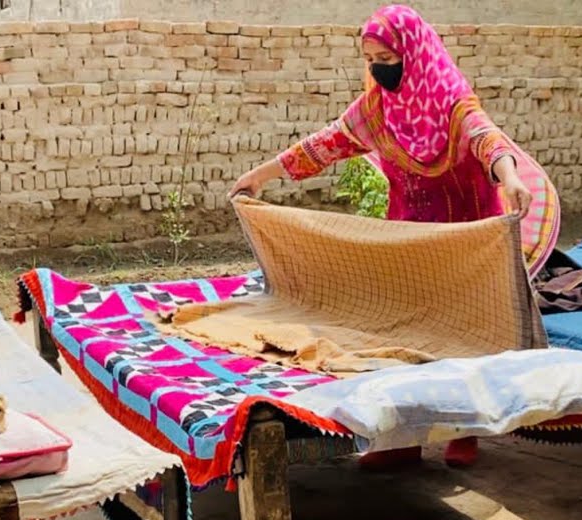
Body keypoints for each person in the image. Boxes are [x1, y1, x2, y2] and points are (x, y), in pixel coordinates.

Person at [229, 3, 560, 469]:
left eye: (387, 58)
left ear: (414, 53)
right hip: (408, 239)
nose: (379, 70)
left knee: (465, 335)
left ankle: (465, 430)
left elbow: (488, 139)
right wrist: (260, 176)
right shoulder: (376, 112)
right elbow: (324, 145)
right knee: (403, 333)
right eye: (371, 61)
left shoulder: (452, 102)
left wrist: (510, 178)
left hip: (465, 241)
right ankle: (401, 439)